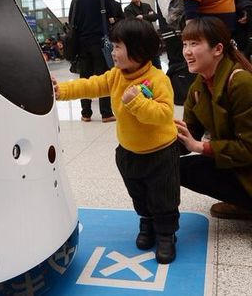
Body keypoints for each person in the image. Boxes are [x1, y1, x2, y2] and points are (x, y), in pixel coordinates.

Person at [52, 18, 181, 262]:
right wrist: (62, 91)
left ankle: (166, 234)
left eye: (118, 47)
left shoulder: (157, 79)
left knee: (163, 196)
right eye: (113, 46)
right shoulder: (116, 76)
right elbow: (91, 85)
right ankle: (147, 222)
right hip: (129, 151)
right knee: (139, 194)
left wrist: (137, 102)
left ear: (138, 50)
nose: (113, 52)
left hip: (160, 153)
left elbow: (164, 115)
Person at [175, 17, 252, 252]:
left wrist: (201, 147)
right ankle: (245, 202)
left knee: (199, 164)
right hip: (244, 161)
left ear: (218, 49)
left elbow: (251, 149)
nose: (187, 52)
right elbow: (188, 136)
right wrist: (153, 137)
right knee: (177, 168)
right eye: (184, 44)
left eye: (194, 44)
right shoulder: (198, 88)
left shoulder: (241, 82)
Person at [68, 0, 116, 122]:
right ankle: (106, 113)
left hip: (82, 44)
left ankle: (86, 113)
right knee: (102, 77)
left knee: (84, 78)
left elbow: (72, 21)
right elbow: (111, 16)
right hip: (100, 43)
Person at [124, 0, 161, 68]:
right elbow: (132, 23)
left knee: (156, 62)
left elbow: (155, 17)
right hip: (138, 38)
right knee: (144, 62)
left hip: (150, 35)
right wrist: (148, 16)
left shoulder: (146, 6)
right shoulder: (127, 9)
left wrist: (142, 17)